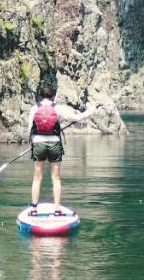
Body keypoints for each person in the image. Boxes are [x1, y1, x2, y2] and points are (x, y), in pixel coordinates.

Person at [26, 86, 99, 215]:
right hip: (54, 143)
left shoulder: (34, 109)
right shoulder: (57, 108)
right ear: (53, 96)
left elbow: (30, 129)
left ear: (40, 97)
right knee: (56, 177)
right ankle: (57, 209)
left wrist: (33, 141)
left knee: (37, 177)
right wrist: (91, 111)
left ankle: (33, 209)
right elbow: (77, 118)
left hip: (38, 143)